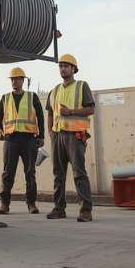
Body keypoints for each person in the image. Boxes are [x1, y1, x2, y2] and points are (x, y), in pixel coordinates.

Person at [45, 54, 95, 222]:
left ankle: (86, 210)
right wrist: (51, 133)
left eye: (66, 66)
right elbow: (50, 113)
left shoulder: (81, 86)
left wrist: (71, 112)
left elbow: (91, 109)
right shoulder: (54, 90)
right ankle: (59, 208)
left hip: (75, 136)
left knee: (78, 173)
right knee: (58, 174)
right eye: (61, 66)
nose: (63, 68)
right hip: (57, 136)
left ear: (73, 69)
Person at [0, 67, 45, 214]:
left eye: (16, 78)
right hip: (10, 140)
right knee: (8, 173)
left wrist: (41, 135)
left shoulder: (32, 97)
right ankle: (5, 203)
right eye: (11, 79)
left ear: (22, 80)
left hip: (29, 139)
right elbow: (0, 116)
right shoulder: (5, 98)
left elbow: (40, 116)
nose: (13, 81)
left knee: (30, 172)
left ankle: (31, 204)